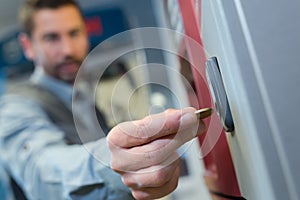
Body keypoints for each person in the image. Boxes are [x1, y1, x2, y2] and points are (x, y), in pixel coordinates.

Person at [0, 0, 207, 199]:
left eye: (74, 33)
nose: (68, 50)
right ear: (28, 46)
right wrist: (112, 163)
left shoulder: (87, 103)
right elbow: (41, 169)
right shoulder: (16, 108)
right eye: (52, 38)